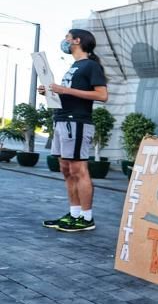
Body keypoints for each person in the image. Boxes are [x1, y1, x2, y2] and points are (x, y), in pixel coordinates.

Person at [39, 29, 109, 232]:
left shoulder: (91, 66)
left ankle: (87, 218)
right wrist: (51, 92)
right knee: (66, 170)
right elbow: (69, 93)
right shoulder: (74, 66)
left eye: (67, 37)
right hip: (62, 119)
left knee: (79, 169)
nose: (65, 40)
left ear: (77, 40)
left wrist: (65, 90)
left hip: (76, 122)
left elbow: (102, 95)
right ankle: (74, 214)